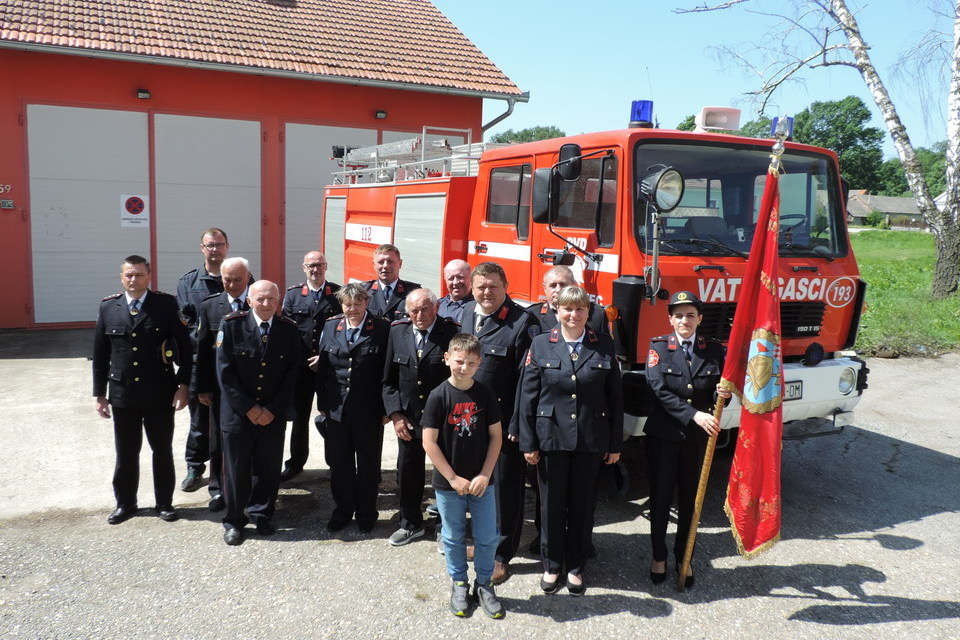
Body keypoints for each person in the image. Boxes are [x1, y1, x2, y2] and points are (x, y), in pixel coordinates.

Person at [516, 286, 623, 597]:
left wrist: (615, 444)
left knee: (582, 506)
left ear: (588, 313)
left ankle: (576, 566)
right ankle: (551, 565)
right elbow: (528, 396)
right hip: (550, 438)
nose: (573, 315)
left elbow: (615, 399)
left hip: (590, 438)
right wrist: (528, 442)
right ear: (557, 311)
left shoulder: (603, 345)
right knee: (550, 506)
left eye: (580, 309)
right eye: (567, 309)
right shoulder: (541, 343)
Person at [92, 255, 191, 524]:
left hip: (160, 392)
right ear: (121, 277)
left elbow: (185, 349)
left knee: (162, 450)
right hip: (122, 393)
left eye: (139, 275)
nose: (133, 279)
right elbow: (100, 355)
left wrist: (183, 386)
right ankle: (125, 503)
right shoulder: (108, 307)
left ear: (149, 276)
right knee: (126, 452)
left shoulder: (165, 305)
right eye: (129, 275)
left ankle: (164, 503)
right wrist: (100, 395)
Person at [644, 290, 731, 587]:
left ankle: (685, 557)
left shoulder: (714, 350)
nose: (685, 320)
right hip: (664, 436)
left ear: (700, 319)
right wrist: (694, 414)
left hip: (697, 440)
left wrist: (724, 395)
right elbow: (658, 389)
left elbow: (720, 394)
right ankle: (658, 556)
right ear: (670, 319)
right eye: (679, 315)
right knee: (660, 497)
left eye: (690, 315)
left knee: (691, 501)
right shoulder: (658, 347)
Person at [461, 261, 540, 584]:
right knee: (478, 487)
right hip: (470, 422)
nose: (486, 292)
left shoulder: (523, 322)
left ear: (505, 286)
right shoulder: (466, 314)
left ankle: (501, 554)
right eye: (480, 286)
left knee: (505, 491)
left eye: (493, 286)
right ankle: (483, 540)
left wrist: (519, 425)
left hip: (504, 425)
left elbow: (528, 381)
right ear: (472, 288)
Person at [421, 333, 504, 619]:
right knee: (453, 536)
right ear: (447, 359)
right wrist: (453, 478)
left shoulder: (485, 394)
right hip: (449, 484)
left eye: (470, 362)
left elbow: (496, 437)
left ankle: (484, 584)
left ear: (479, 362)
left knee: (487, 537)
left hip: (482, 483)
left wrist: (485, 474)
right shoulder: (438, 396)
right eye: (458, 361)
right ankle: (459, 583)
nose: (464, 367)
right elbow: (429, 442)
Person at [216, 280, 301, 546]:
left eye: (271, 299)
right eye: (260, 299)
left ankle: (262, 513)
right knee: (236, 470)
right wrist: (250, 408)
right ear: (249, 300)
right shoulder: (231, 325)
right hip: (238, 414)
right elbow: (225, 373)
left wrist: (272, 409)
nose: (266, 304)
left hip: (272, 415)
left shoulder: (288, 329)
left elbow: (291, 374)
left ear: (279, 301)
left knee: (268, 468)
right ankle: (234, 520)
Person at [382, 288, 460, 546]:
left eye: (425, 309)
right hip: (409, 419)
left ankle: (445, 528)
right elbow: (389, 381)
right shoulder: (397, 332)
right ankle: (410, 524)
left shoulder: (451, 332)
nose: (419, 315)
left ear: (436, 308)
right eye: (414, 311)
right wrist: (395, 415)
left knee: (446, 475)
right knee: (408, 474)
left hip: (444, 419)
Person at [315, 283, 390, 533]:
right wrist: (323, 404)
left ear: (366, 303)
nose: (352, 309)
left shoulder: (382, 328)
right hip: (337, 409)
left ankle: (367, 513)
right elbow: (324, 368)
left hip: (368, 411)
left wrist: (386, 409)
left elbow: (387, 372)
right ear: (341, 305)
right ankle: (343, 510)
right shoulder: (331, 326)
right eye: (348, 304)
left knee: (368, 465)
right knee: (340, 463)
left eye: (358, 304)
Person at [195, 256, 251, 512]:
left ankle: (248, 486)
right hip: (220, 388)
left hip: (251, 386)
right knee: (218, 440)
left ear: (248, 277)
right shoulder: (210, 306)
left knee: (250, 440)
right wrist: (202, 386)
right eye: (227, 280)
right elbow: (203, 350)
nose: (232, 284)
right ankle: (218, 488)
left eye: (237, 279)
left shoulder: (259, 300)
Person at [280, 251, 342, 481]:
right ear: (304, 268)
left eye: (319, 265)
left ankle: (335, 463)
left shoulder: (338, 293)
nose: (315, 270)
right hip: (302, 367)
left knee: (332, 416)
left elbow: (342, 330)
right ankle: (296, 463)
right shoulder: (293, 294)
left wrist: (324, 357)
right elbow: (288, 331)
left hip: (330, 366)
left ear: (326, 266)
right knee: (300, 417)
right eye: (311, 266)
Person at [177, 228, 230, 492]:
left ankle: (225, 469)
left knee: (228, 420)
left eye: (219, 244)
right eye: (210, 245)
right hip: (200, 361)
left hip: (231, 363)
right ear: (202, 248)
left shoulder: (237, 276)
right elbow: (183, 323)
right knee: (199, 420)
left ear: (227, 247)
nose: (215, 249)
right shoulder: (189, 282)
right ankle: (195, 467)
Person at [531, 266, 609, 336]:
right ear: (545, 287)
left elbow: (605, 345)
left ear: (574, 285)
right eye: (553, 286)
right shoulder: (532, 315)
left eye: (563, 285)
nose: (558, 290)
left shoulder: (597, 314)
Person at [364, 244, 420, 321]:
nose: (385, 266)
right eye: (380, 262)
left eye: (390, 261)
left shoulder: (414, 293)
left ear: (400, 264)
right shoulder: (364, 292)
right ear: (374, 264)